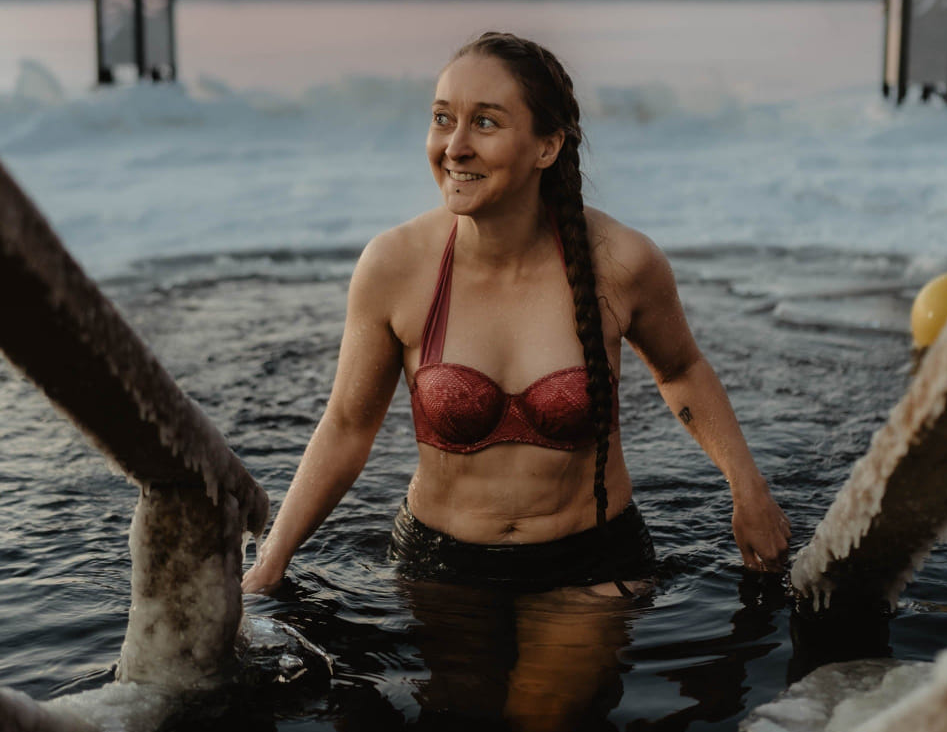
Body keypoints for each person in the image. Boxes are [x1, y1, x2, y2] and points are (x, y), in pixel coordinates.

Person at [242, 31, 790, 601]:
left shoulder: (622, 262)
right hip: (439, 559)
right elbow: (347, 426)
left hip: (592, 559)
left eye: (485, 122)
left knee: (550, 697)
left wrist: (748, 491)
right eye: (442, 118)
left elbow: (682, 373)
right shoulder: (394, 267)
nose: (454, 147)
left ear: (547, 146)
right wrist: (271, 561)